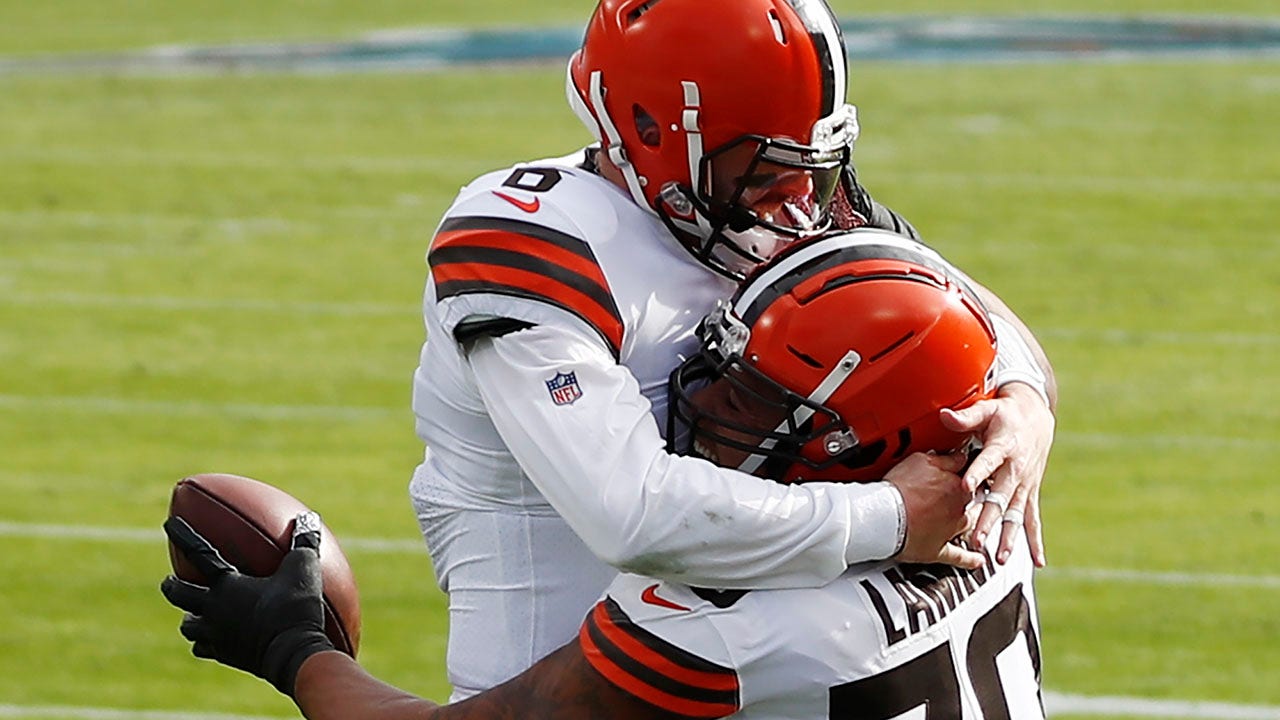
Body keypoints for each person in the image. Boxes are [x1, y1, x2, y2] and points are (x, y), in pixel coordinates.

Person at [411, 0, 1055, 700]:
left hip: (748, 676)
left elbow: (963, 308)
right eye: (762, 168)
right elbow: (630, 515)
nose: (798, 201)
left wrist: (1022, 406)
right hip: (553, 694)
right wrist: (890, 518)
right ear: (651, 131)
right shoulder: (532, 239)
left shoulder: (790, 199)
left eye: (811, 164)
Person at [162, 229, 1043, 718]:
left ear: (861, 442)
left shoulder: (724, 626)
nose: (714, 408)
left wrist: (292, 649)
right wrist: (1027, 400)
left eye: (764, 401)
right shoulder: (993, 514)